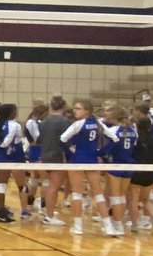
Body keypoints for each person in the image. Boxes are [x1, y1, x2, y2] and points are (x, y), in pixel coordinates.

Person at [61, 99, 120, 237]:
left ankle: (78, 227)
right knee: (98, 194)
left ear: (87, 110)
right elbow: (114, 139)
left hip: (77, 160)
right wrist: (101, 153)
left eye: (78, 108)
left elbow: (63, 139)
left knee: (77, 194)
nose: (75, 111)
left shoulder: (77, 124)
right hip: (92, 160)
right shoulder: (99, 124)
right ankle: (108, 227)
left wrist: (71, 151)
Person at [39, 96, 72, 227]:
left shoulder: (44, 121)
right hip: (58, 156)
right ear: (64, 107)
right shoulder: (66, 122)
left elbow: (40, 139)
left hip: (45, 155)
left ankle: (47, 210)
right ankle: (49, 216)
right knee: (54, 187)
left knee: (47, 184)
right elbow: (68, 141)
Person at [104, 106, 137, 236]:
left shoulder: (112, 131)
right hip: (129, 165)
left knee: (115, 196)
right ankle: (119, 224)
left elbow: (106, 149)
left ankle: (117, 225)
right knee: (122, 196)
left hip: (115, 164)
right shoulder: (133, 131)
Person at [128, 116, 153, 232]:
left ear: (137, 125)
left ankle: (134, 225)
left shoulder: (135, 138)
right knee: (146, 198)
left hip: (136, 172)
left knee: (133, 199)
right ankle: (151, 218)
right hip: (150, 173)